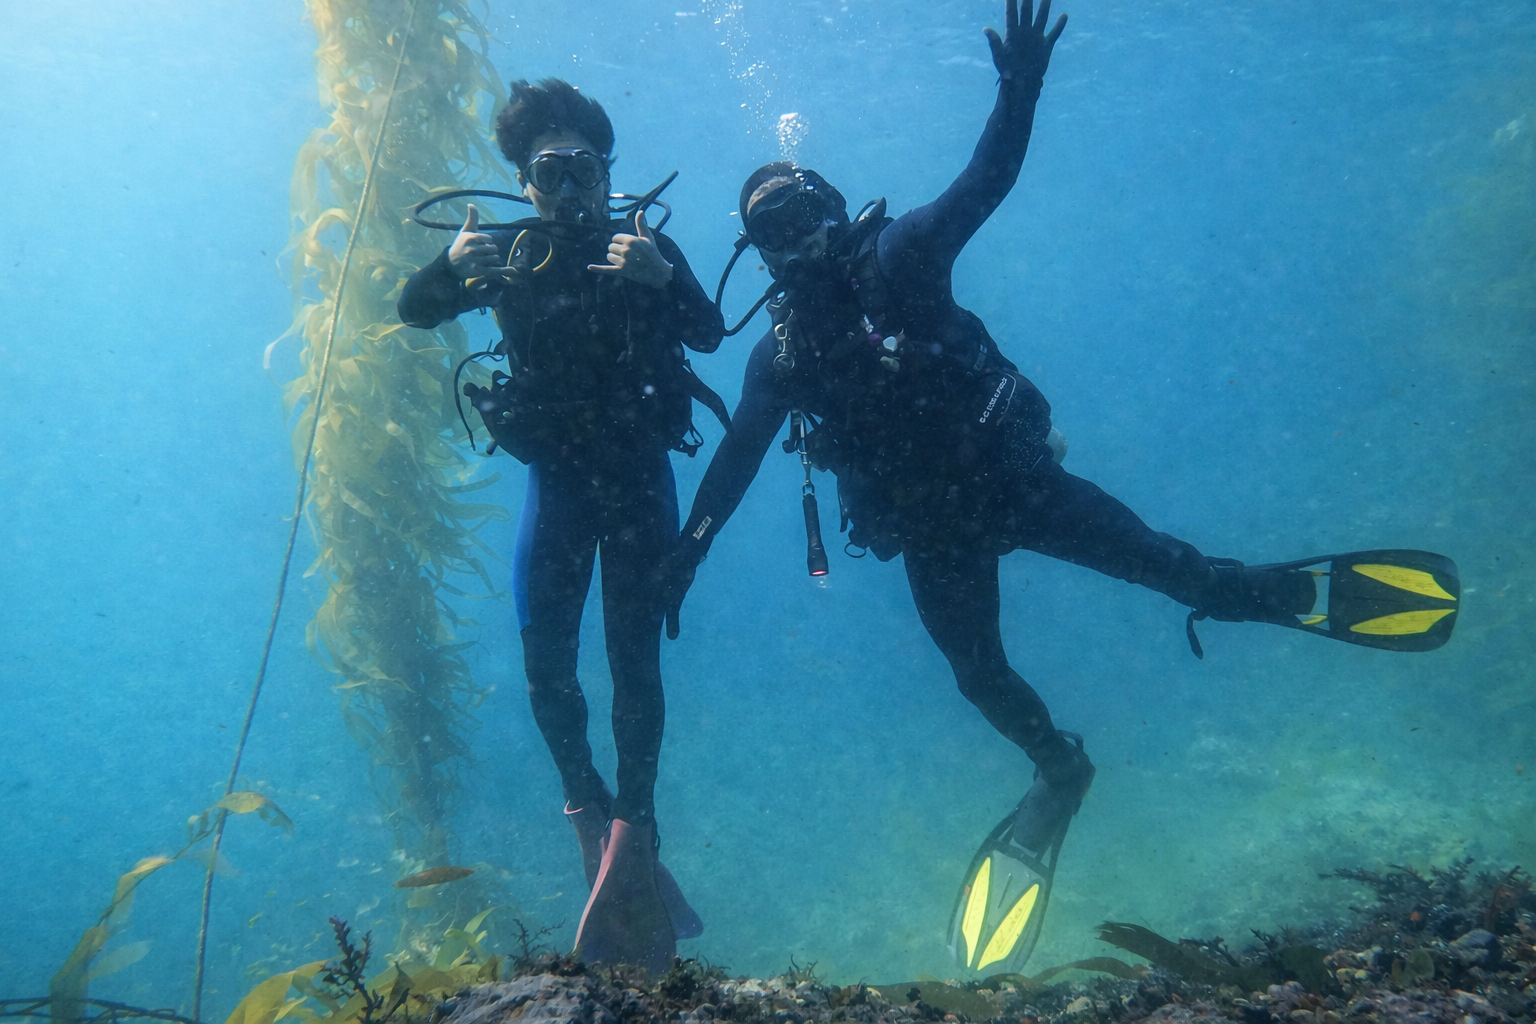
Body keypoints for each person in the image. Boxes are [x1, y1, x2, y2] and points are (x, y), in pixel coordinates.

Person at [662, 0, 1459, 974]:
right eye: (769, 230)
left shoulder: (900, 257)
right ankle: (1058, 767)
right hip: (931, 528)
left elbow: (983, 181)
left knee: (1169, 566)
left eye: (799, 212)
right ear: (761, 255)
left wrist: (1019, 92)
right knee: (977, 673)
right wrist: (686, 555)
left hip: (1013, 482)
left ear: (831, 206)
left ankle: (1261, 593)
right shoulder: (781, 356)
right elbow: (735, 460)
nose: (792, 236)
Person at [398, 78, 725, 973]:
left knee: (632, 663)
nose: (569, 190)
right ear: (521, 179)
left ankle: (638, 825)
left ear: (608, 169)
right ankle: (592, 817)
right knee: (547, 666)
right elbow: (412, 311)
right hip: (560, 487)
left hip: (635, 485)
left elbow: (710, 332)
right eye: (548, 173)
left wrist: (663, 281)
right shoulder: (502, 251)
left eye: (582, 168)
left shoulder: (644, 245)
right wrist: (448, 271)